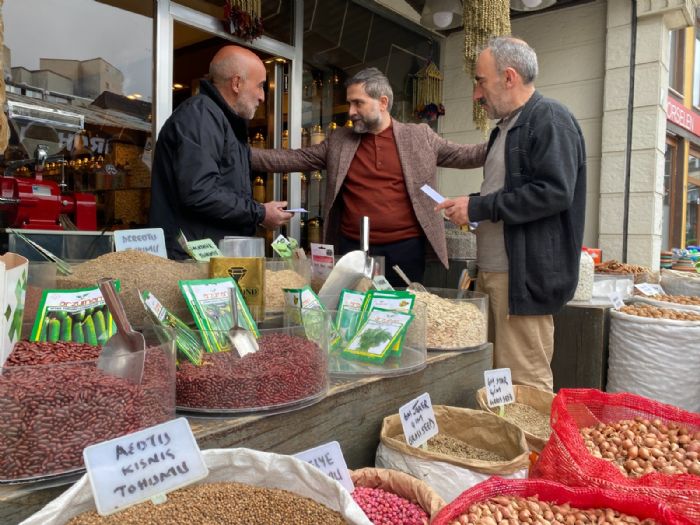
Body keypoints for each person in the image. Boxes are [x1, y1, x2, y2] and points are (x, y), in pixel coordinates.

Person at [436, 36, 586, 391]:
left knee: (524, 387)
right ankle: (509, 447)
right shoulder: (504, 128)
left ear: (509, 77)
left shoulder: (549, 118)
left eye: (480, 80)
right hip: (495, 274)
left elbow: (554, 192)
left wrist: (480, 206)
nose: (476, 93)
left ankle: (535, 449)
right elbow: (506, 196)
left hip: (521, 279)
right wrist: (469, 206)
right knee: (497, 383)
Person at [250, 67, 487, 287]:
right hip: (352, 250)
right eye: (350, 103)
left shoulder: (419, 136)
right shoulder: (340, 140)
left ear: (383, 102)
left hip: (405, 251)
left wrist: (504, 139)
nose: (351, 111)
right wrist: (237, 152)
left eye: (358, 103)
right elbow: (291, 159)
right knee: (352, 315)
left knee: (397, 315)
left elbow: (466, 155)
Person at [149, 45, 292, 259]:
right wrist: (260, 213)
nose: (262, 97)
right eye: (260, 86)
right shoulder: (201, 116)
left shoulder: (221, 120)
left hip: (207, 259)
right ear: (236, 83)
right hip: (189, 263)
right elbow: (200, 192)